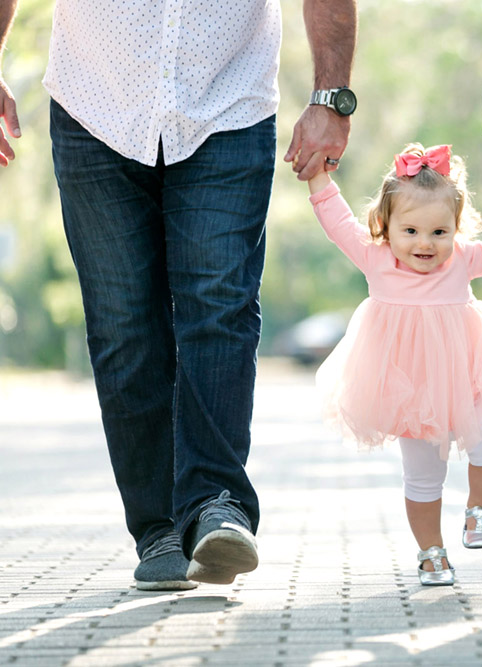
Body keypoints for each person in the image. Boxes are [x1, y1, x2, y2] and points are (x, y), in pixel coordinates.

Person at [0, 0, 358, 589]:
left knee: (219, 301)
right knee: (122, 323)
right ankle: (158, 526)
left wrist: (332, 97)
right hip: (95, 102)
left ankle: (218, 503)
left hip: (229, 103)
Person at [306, 143, 482, 586]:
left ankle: (481, 511)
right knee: (423, 473)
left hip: (470, 372)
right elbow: (337, 224)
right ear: (386, 227)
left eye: (440, 232)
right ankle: (430, 552)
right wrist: (318, 179)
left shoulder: (461, 259)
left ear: (456, 229)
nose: (426, 243)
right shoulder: (375, 257)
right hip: (406, 386)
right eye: (412, 231)